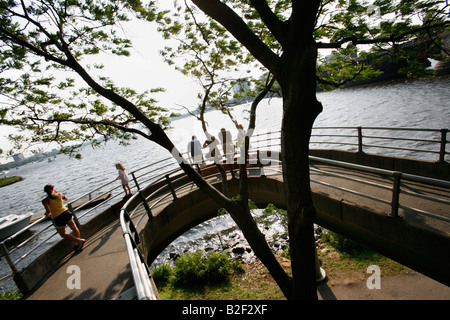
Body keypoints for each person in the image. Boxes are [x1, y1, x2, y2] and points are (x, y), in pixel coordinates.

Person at [42, 184, 85, 251]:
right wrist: (58, 193)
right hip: (66, 213)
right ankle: (78, 243)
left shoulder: (45, 200)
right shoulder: (58, 194)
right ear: (53, 189)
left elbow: (48, 212)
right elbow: (66, 199)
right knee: (74, 228)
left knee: (63, 234)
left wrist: (46, 214)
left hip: (57, 217)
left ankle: (79, 241)